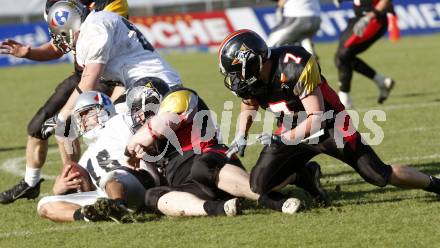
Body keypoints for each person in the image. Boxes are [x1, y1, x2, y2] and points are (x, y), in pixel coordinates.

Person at [218, 29, 440, 205]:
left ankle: (435, 185)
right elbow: (249, 106)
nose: (235, 79)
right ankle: (306, 176)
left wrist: (284, 139)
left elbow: (317, 118)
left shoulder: (293, 64)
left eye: (237, 72)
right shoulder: (251, 81)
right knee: (259, 185)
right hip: (290, 126)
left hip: (330, 124)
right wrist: (241, 135)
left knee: (377, 174)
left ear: (254, 62)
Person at [0, 0, 182, 204]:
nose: (60, 40)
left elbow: (88, 81)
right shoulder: (91, 22)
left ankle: (131, 188)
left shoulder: (95, 27)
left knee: (109, 142)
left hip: (152, 89)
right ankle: (87, 184)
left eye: (61, 32)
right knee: (93, 135)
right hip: (141, 87)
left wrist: (60, 117)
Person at [124, 83, 328, 215]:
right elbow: (154, 177)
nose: (139, 118)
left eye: (141, 112)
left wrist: (132, 146)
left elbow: (162, 124)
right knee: (152, 196)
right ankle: (218, 209)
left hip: (212, 162)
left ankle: (279, 197)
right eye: (137, 115)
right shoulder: (142, 141)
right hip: (191, 187)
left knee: (202, 167)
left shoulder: (179, 97)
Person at [334, 0, 395, 108]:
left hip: (373, 20)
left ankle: (344, 100)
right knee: (342, 57)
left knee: (343, 55)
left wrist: (369, 17)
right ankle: (382, 82)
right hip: (358, 18)